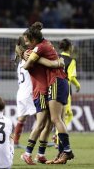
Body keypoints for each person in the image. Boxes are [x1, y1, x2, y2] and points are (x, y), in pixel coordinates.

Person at [23, 22, 74, 164]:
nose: (26, 44)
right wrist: (55, 63)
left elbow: (27, 66)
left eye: (27, 41)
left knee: (54, 120)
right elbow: (53, 63)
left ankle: (66, 150)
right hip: (60, 82)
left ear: (33, 40)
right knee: (55, 121)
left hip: (55, 82)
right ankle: (61, 153)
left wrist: (34, 57)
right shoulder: (46, 44)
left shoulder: (38, 48)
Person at [53, 38, 81, 147]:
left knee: (56, 116)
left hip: (53, 87)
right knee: (67, 115)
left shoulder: (55, 57)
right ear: (70, 47)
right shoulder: (71, 60)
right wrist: (78, 85)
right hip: (65, 89)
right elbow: (70, 77)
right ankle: (57, 136)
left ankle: (55, 137)